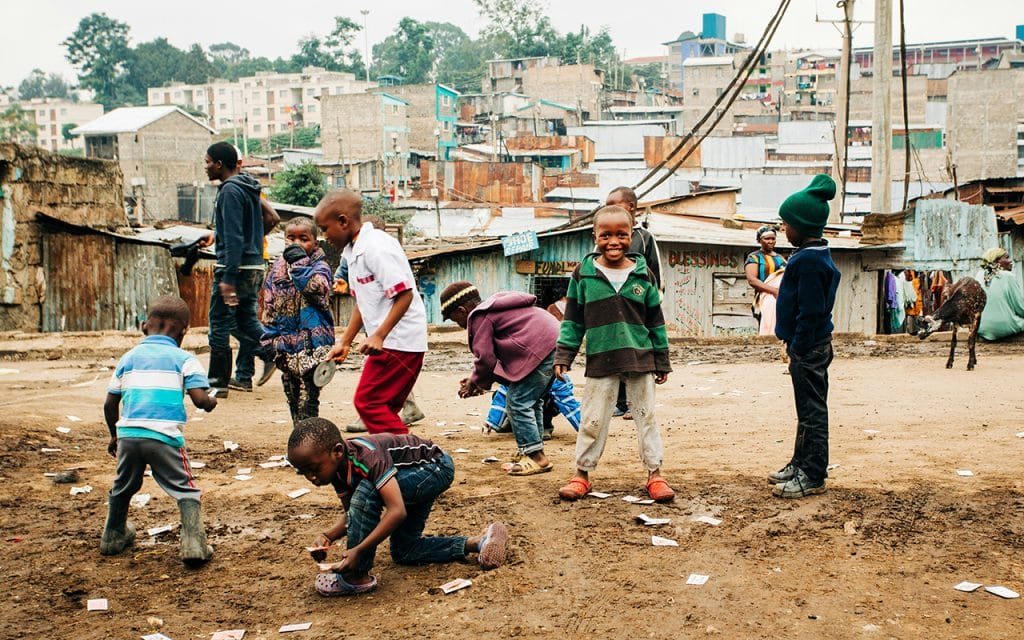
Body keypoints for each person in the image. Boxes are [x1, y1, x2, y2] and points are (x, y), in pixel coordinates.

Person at [287, 418, 509, 596]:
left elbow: (396, 511)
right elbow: (352, 515)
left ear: (336, 451)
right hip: (414, 475)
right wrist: (328, 536)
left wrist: (359, 550)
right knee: (404, 550)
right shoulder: (337, 471)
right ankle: (480, 543)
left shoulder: (366, 457)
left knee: (367, 492)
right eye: (302, 472)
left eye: (313, 468)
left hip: (434, 466)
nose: (310, 477)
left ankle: (356, 576)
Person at [553, 205, 674, 503]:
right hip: (601, 358)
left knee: (646, 417)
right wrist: (564, 355)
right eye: (605, 235)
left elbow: (655, 323)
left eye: (621, 234)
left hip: (641, 358)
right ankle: (582, 474)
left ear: (631, 236)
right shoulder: (584, 274)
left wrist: (662, 360)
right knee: (592, 419)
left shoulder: (643, 275)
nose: (614, 241)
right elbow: (573, 320)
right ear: (594, 236)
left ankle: (654, 474)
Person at [101, 296, 218, 565]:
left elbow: (110, 402)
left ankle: (112, 536)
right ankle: (193, 545)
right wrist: (211, 402)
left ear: (144, 326)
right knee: (185, 489)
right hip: (164, 437)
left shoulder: (127, 358)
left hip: (129, 435)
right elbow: (200, 399)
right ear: (185, 331)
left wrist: (114, 435)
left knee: (122, 486)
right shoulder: (184, 359)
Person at [314, 190, 427, 435]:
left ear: (343, 221)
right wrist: (345, 341)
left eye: (325, 229)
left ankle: (410, 455)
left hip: (399, 342)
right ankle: (393, 458)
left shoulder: (376, 247)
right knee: (384, 409)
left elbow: (404, 294)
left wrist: (379, 335)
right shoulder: (352, 251)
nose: (324, 236)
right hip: (392, 342)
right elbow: (362, 303)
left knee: (368, 403)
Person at [769, 174, 841, 499]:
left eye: (786, 224)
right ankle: (799, 463)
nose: (784, 229)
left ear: (802, 225)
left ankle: (812, 475)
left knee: (812, 412)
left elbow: (811, 313)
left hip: (809, 348)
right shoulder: (810, 254)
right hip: (807, 346)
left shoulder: (810, 261)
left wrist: (796, 346)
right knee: (806, 410)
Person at [440, 281, 557, 476]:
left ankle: (537, 458)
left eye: (455, 320)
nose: (460, 325)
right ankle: (530, 449)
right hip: (553, 342)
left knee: (518, 401)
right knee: (531, 400)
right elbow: (500, 358)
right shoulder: (495, 311)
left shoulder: (479, 317)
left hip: (541, 348)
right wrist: (478, 381)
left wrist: (474, 382)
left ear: (461, 310)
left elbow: (485, 358)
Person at [199, 142, 279, 396]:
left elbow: (233, 237)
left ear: (220, 164)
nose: (206, 167)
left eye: (208, 161)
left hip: (235, 267)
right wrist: (253, 244)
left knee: (219, 324)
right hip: (253, 264)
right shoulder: (248, 187)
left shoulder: (230, 191)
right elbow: (271, 220)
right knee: (245, 319)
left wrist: (229, 277)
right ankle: (271, 353)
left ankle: (217, 383)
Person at [260, 217, 335, 422]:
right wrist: (270, 340)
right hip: (286, 346)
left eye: (304, 239)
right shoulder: (277, 269)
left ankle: (310, 446)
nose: (297, 244)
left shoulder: (320, 267)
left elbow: (317, 290)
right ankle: (300, 445)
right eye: (291, 238)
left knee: (308, 401)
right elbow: (269, 305)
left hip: (313, 346)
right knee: (292, 398)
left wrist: (299, 265)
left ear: (315, 243)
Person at [605, 186, 662, 419]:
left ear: (630, 208)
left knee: (638, 354)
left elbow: (655, 276)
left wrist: (652, 307)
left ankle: (636, 403)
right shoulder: (604, 237)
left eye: (614, 206)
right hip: (610, 307)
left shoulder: (644, 238)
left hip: (637, 308)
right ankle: (619, 402)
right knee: (614, 354)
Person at [976, 247, 1024, 341]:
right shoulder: (1008, 276)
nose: (1010, 261)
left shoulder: (979, 275)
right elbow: (1020, 307)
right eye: (1007, 257)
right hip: (1004, 326)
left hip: (981, 328)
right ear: (997, 261)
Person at [745, 225, 787, 325]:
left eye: (773, 238)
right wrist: (774, 291)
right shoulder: (754, 257)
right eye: (767, 238)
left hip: (781, 298)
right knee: (767, 326)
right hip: (764, 298)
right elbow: (752, 280)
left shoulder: (780, 258)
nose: (770, 241)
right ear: (759, 240)